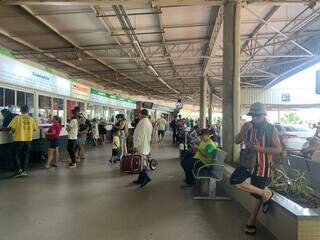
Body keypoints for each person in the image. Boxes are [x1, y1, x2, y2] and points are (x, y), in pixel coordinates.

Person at [230, 102, 281, 235]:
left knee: (254, 194)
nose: (255, 118)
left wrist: (260, 149)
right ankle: (265, 194)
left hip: (262, 166)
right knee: (234, 180)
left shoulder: (271, 129)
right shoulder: (248, 126)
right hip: (247, 163)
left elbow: (278, 149)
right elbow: (236, 141)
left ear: (264, 115)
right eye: (253, 115)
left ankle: (251, 221)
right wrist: (243, 130)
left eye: (258, 115)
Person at [8, 105, 37, 177]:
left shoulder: (17, 118)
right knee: (25, 156)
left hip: (18, 139)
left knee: (14, 154)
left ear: (20, 110)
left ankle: (19, 170)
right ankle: (24, 171)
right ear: (28, 111)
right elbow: (34, 129)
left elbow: (12, 129)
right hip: (28, 140)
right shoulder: (32, 119)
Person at [132, 109, 153, 188]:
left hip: (141, 145)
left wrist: (135, 145)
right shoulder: (149, 122)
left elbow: (139, 135)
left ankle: (146, 178)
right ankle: (140, 179)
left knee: (140, 163)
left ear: (141, 114)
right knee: (142, 162)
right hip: (146, 145)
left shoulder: (142, 122)